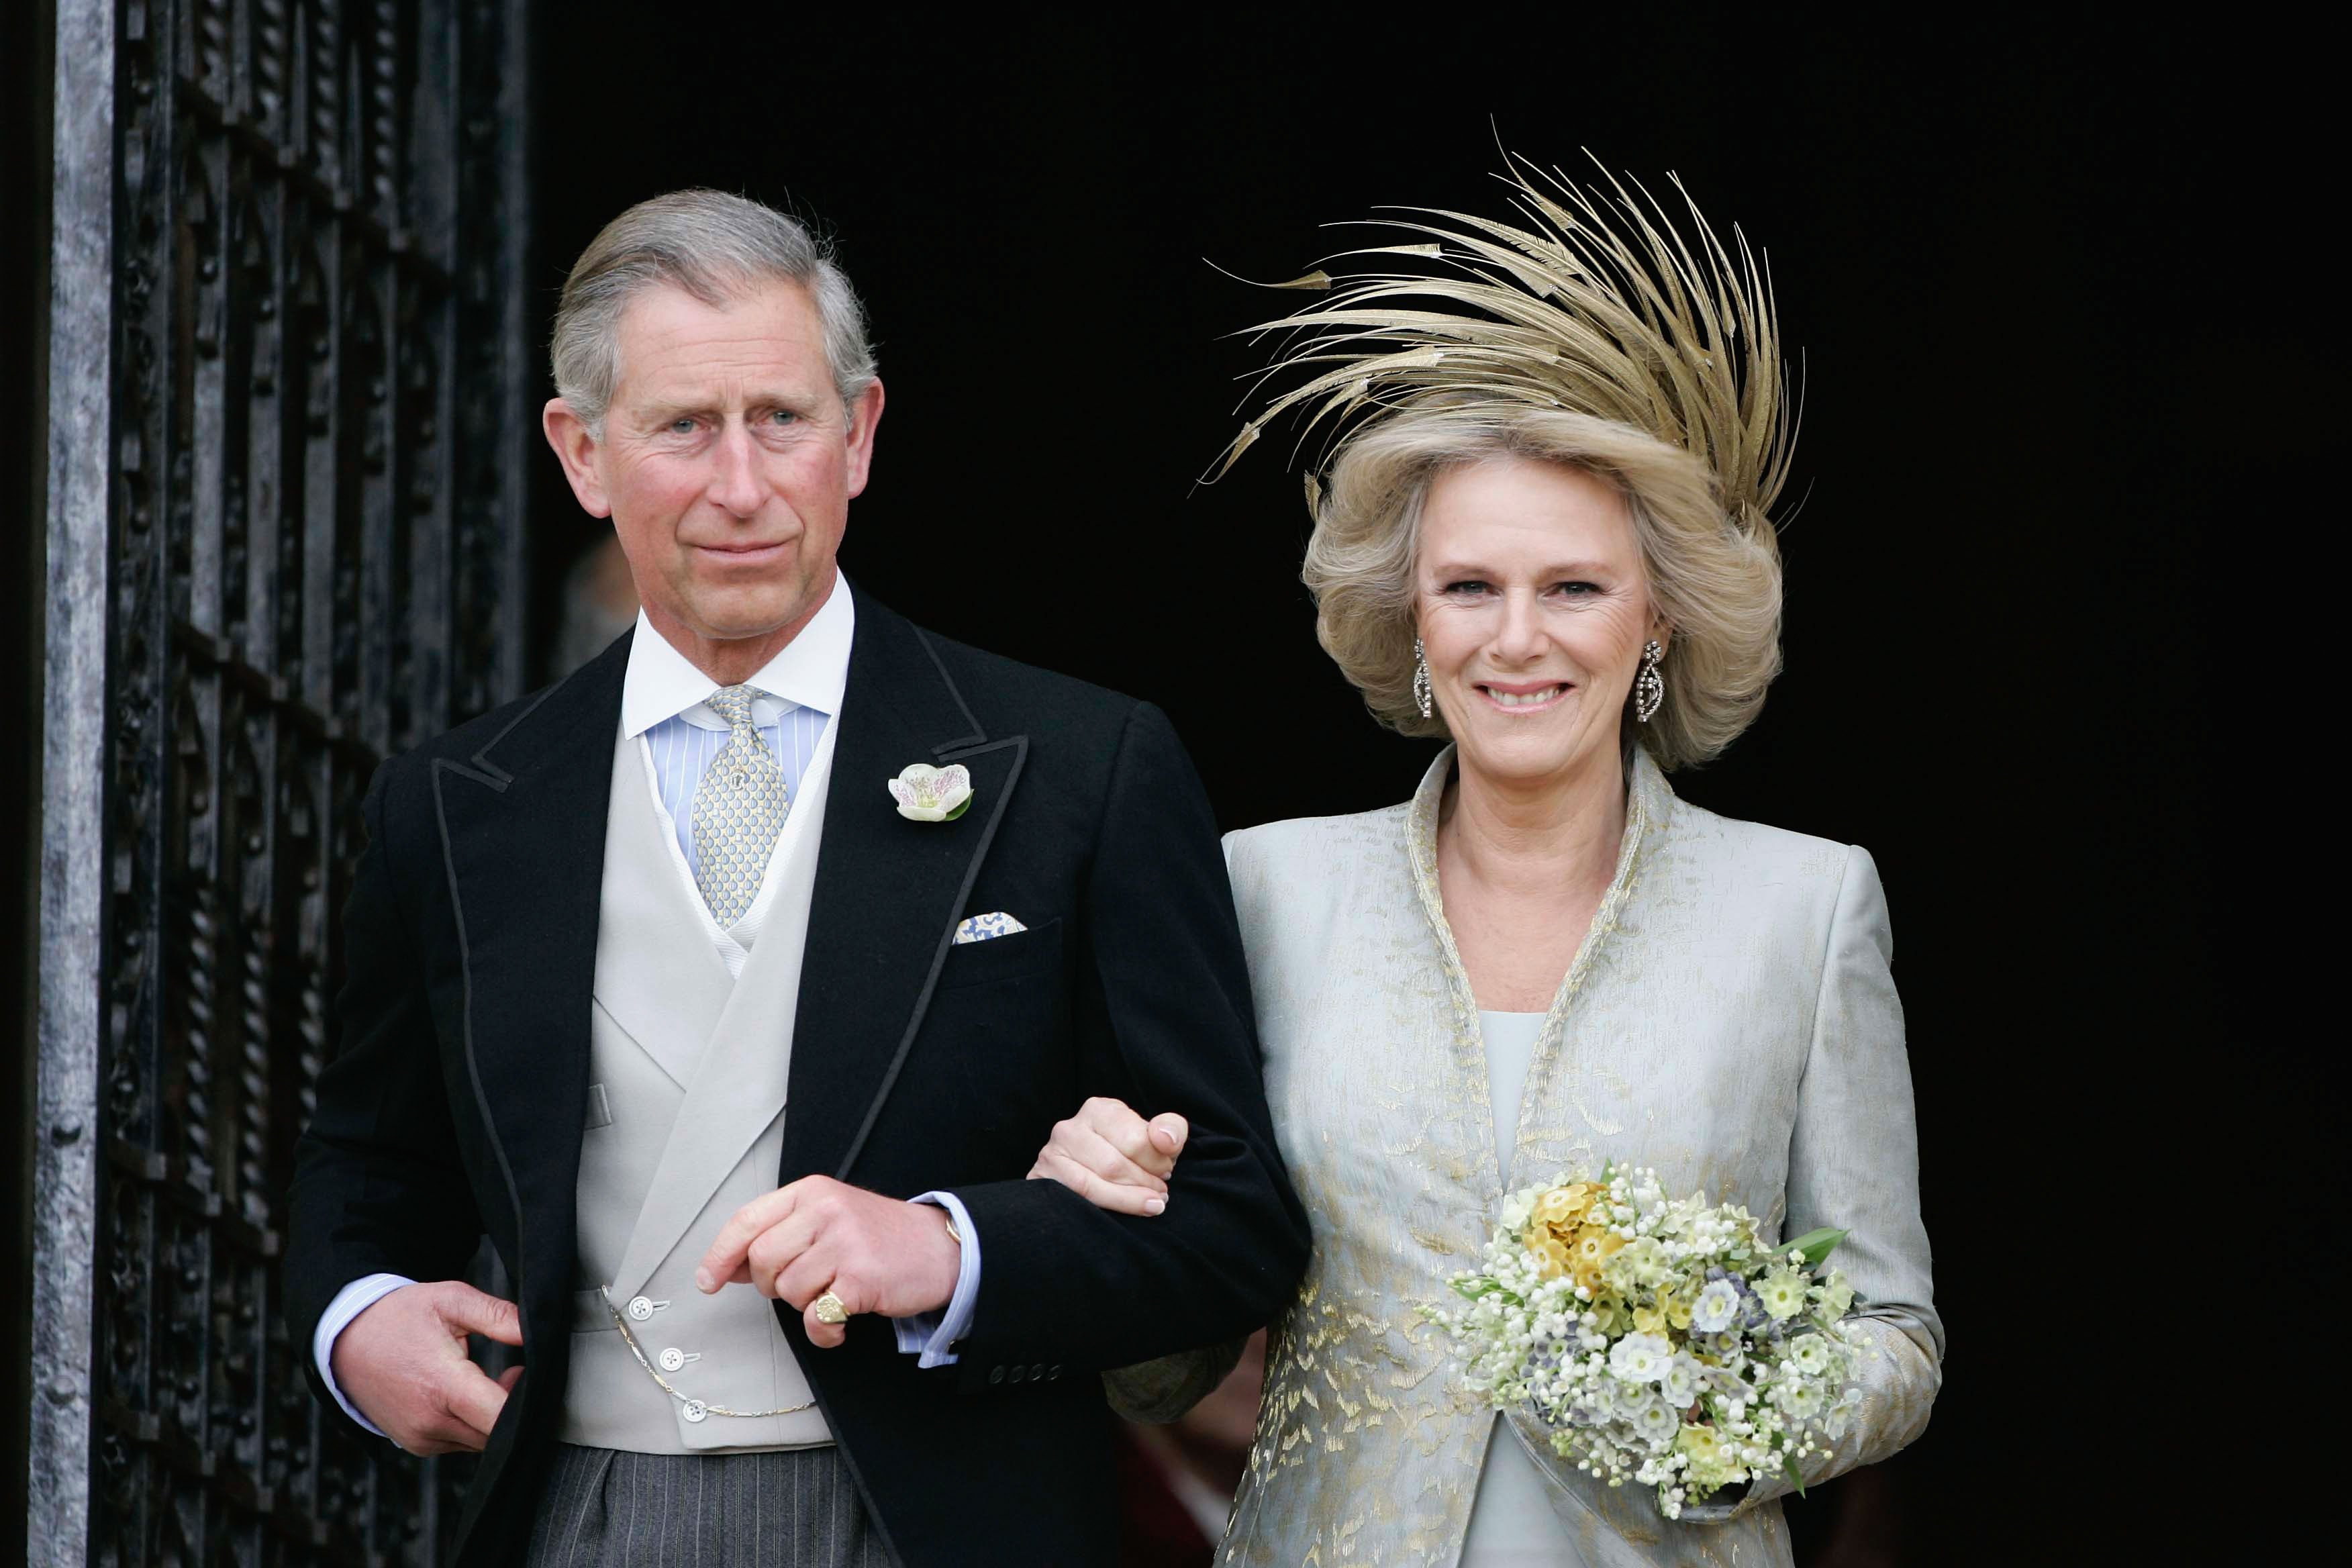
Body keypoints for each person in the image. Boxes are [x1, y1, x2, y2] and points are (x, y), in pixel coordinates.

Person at [281, 189, 1310, 1568]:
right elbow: (370, 1157)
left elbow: (1235, 1223)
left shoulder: (1083, 767)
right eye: (682, 428)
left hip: (944, 1520)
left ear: (861, 434)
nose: (743, 486)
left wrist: (956, 1251)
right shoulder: (459, 805)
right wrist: (359, 1318)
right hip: (586, 1515)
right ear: (582, 453)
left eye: (781, 418)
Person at [1034, 161, 1943, 1567]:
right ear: (1412, 618)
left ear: (1657, 623)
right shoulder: (1265, 891)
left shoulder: (1805, 908)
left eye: (1574, 587)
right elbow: (1163, 1364)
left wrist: (1742, 1407)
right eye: (1470, 587)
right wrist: (1106, 1227)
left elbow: (1895, 1334)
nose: (1517, 639)